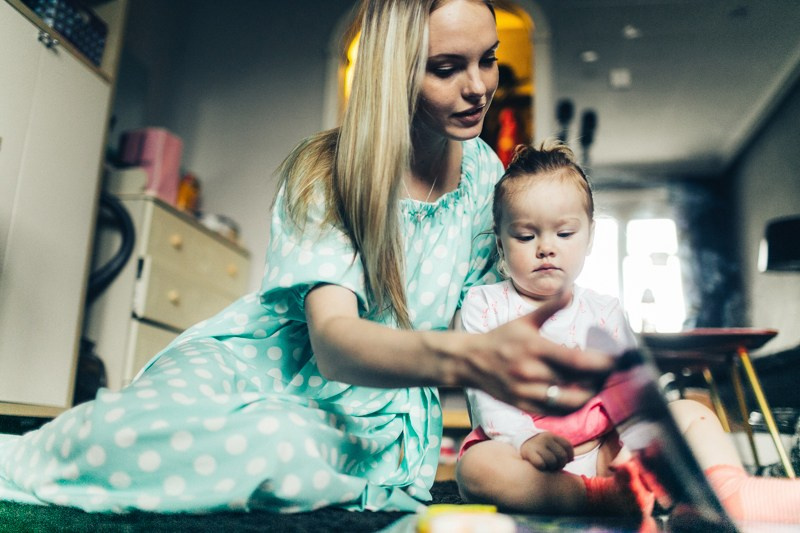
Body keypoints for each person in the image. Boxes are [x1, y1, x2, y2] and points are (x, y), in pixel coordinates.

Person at [0, 0, 615, 515]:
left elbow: (496, 308)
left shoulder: (489, 179)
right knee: (129, 427)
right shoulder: (328, 169)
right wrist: (466, 358)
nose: (478, 86)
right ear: (394, 71)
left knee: (274, 452)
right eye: (447, 68)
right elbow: (334, 342)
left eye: (489, 60)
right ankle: (22, 454)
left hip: (366, 415)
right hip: (254, 361)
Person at [455, 141, 800, 525]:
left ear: (590, 237)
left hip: (607, 448)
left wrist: (635, 441)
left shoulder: (604, 310)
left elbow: (631, 391)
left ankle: (729, 490)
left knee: (690, 412)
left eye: (565, 234)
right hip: (526, 455)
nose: (546, 248)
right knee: (475, 469)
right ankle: (603, 498)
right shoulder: (482, 305)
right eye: (525, 236)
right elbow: (486, 394)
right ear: (500, 240)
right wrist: (524, 440)